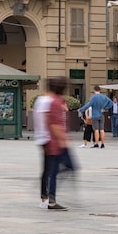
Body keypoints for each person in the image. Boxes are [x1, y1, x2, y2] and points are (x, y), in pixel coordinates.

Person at [37, 76, 70, 211]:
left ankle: (46, 197)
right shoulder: (49, 101)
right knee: (53, 169)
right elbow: (48, 121)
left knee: (48, 169)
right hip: (49, 139)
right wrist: (60, 139)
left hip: (43, 138)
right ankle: (48, 199)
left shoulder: (41, 100)